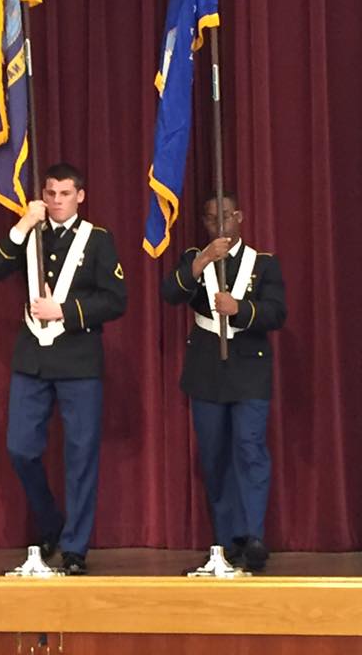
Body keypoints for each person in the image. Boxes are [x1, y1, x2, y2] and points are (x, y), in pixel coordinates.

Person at [0, 163, 127, 575]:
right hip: (32, 358)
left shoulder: (97, 240)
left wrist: (64, 310)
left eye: (64, 194)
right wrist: (20, 226)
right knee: (20, 448)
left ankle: (75, 547)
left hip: (78, 359)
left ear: (80, 196)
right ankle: (51, 522)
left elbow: (116, 300)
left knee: (81, 454)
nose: (56, 201)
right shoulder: (31, 234)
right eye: (50, 194)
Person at [161, 192, 286, 571]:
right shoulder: (194, 260)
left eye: (227, 217)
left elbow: (277, 312)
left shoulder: (263, 263)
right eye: (213, 218)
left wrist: (241, 309)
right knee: (214, 456)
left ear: (240, 218)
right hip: (207, 369)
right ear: (204, 222)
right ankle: (229, 539)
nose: (221, 225)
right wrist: (200, 262)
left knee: (249, 449)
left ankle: (253, 536)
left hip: (249, 366)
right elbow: (170, 293)